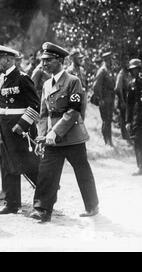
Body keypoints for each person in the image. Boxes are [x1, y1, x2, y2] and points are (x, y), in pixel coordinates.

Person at [29, 42, 99, 222]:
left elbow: (74, 111)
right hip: (52, 138)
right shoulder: (46, 84)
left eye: (49, 61)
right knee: (46, 172)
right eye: (43, 61)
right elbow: (44, 113)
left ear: (60, 60)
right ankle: (42, 209)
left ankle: (92, 206)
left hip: (72, 137)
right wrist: (43, 135)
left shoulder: (73, 81)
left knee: (82, 171)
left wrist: (55, 132)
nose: (44, 64)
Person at [0, 44, 39, 215]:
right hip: (6, 130)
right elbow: (0, 109)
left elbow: (35, 106)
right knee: (9, 165)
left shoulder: (23, 78)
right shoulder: (2, 79)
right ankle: (12, 204)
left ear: (10, 59)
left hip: (21, 132)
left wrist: (22, 124)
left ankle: (45, 198)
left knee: (29, 165)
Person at [92, 51, 116, 146]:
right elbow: (95, 86)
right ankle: (107, 141)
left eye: (111, 59)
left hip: (110, 97)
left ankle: (109, 140)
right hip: (104, 98)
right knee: (106, 120)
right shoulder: (102, 70)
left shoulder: (109, 70)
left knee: (109, 120)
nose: (111, 61)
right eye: (109, 59)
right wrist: (100, 98)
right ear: (105, 60)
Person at [126, 58, 142, 176]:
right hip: (137, 118)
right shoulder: (131, 84)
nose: (133, 72)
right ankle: (140, 167)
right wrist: (128, 120)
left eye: (135, 69)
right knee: (137, 142)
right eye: (132, 70)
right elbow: (129, 104)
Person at [115, 61, 131, 140]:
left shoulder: (127, 74)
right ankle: (124, 136)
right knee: (123, 117)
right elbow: (118, 88)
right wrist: (122, 100)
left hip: (127, 98)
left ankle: (126, 135)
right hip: (123, 97)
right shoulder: (121, 74)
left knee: (126, 117)